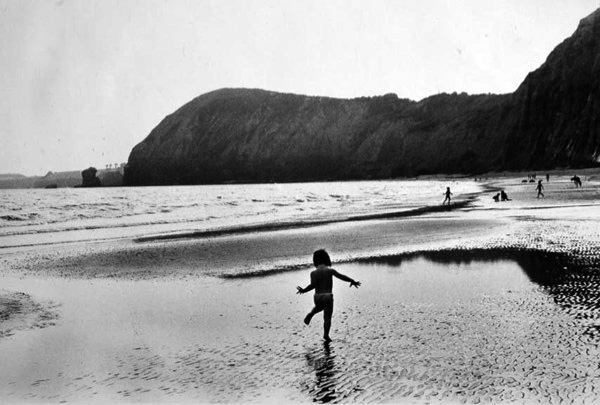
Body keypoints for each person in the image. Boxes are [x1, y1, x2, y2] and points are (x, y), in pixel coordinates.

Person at [297, 249, 361, 342]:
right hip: (327, 296)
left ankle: (311, 314)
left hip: (317, 297)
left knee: (319, 307)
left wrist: (303, 290)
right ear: (327, 259)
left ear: (315, 261)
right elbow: (342, 276)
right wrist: (352, 280)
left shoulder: (313, 273)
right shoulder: (330, 271)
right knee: (327, 317)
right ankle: (326, 334)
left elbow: (313, 285)